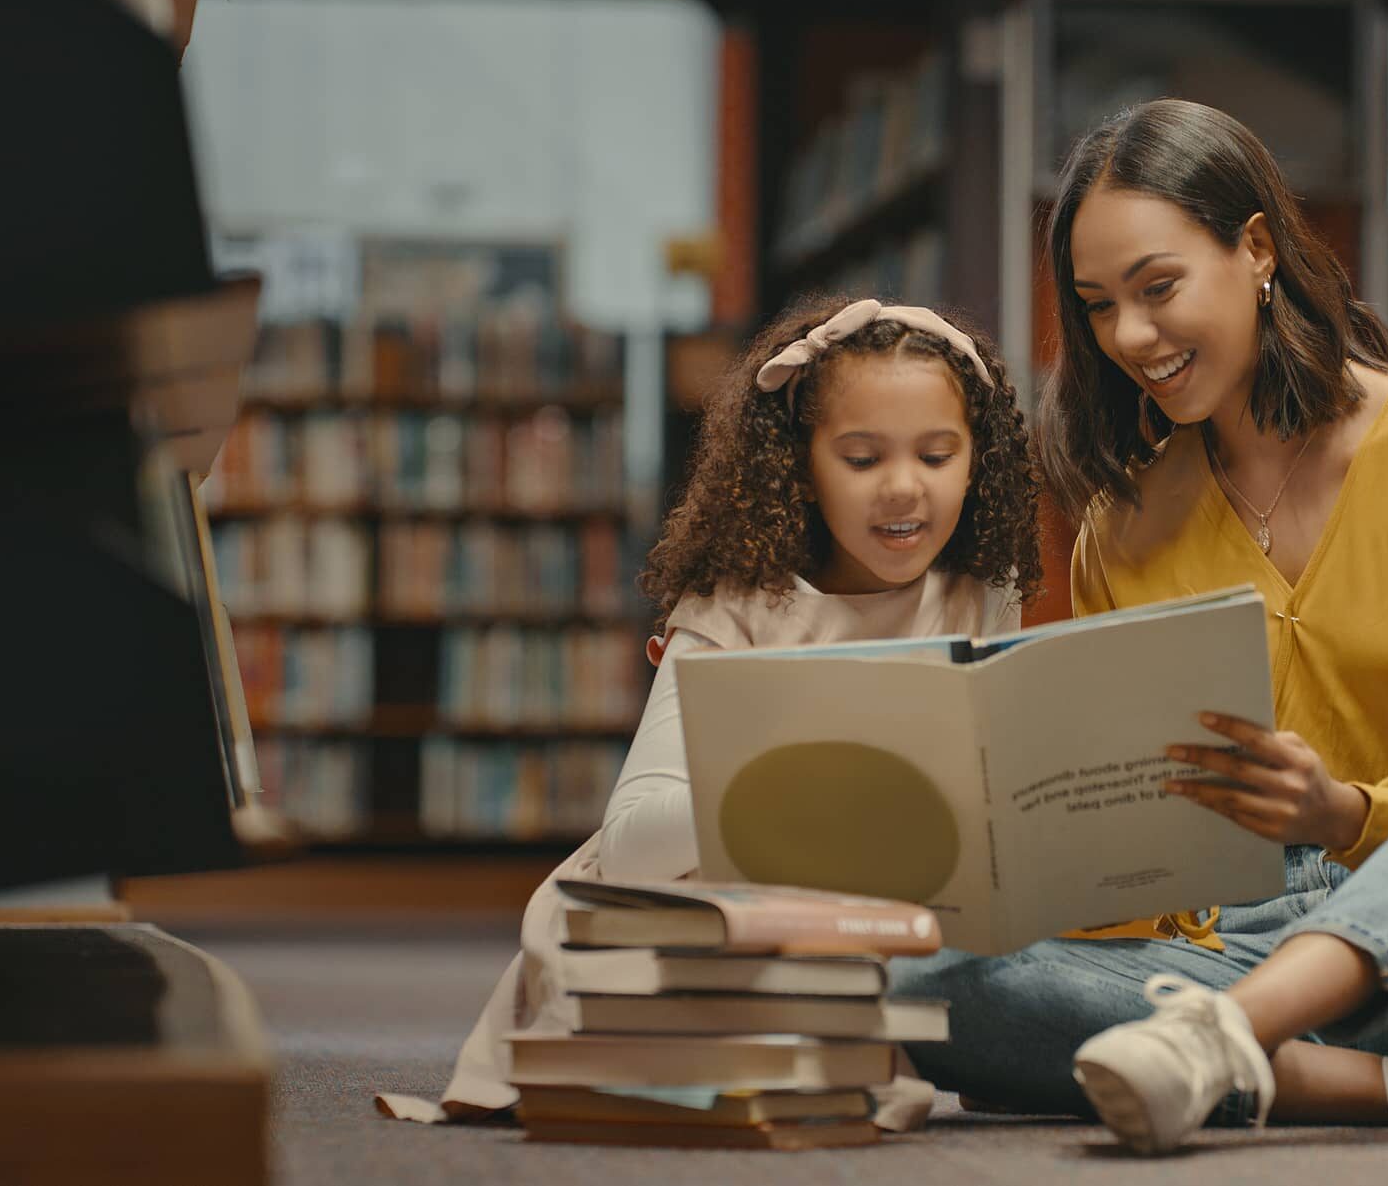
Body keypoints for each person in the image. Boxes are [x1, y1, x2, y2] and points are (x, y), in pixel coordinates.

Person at [889, 98, 1388, 1154]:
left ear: (1257, 250)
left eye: (1157, 287)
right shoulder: (1121, 526)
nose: (1130, 336)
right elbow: (1139, 865)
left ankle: (1223, 1046)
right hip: (1225, 943)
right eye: (1096, 306)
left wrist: (1341, 813)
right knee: (924, 981)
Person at [376, 293, 1042, 1126]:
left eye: (938, 455)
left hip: (893, 917)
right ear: (801, 465)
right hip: (714, 909)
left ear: (977, 461)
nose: (904, 489)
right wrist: (817, 777)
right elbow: (632, 843)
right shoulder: (739, 606)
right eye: (862, 458)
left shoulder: (983, 594)